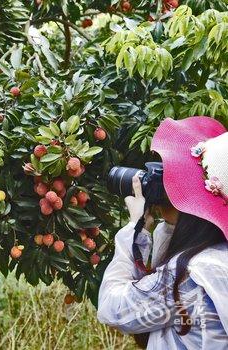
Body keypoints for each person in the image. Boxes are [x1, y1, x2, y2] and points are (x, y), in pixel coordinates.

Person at [97, 116, 228, 349]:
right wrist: (169, 224)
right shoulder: (218, 259)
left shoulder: (190, 276)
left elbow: (112, 308)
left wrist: (134, 228)